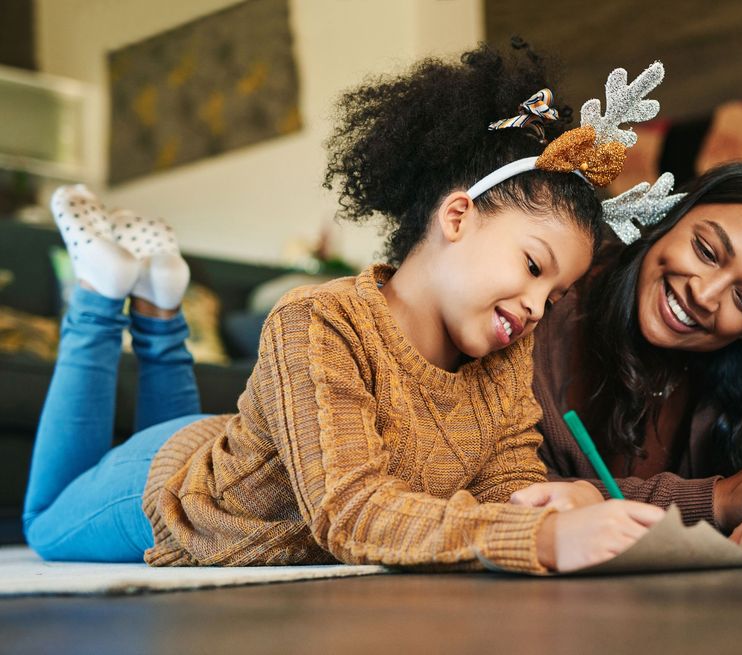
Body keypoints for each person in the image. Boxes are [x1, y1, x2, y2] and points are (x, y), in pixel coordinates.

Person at [21, 44, 668, 573]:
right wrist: (540, 539)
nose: (535, 307)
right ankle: (101, 296)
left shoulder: (502, 356)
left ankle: (162, 308)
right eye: (532, 267)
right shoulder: (318, 319)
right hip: (175, 488)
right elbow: (349, 511)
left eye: (554, 297)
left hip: (236, 448)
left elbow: (504, 484)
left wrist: (557, 503)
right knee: (45, 523)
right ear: (457, 216)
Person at [511, 162, 742, 566]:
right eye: (706, 251)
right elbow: (502, 495)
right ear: (672, 216)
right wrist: (717, 500)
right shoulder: (538, 311)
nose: (705, 295)